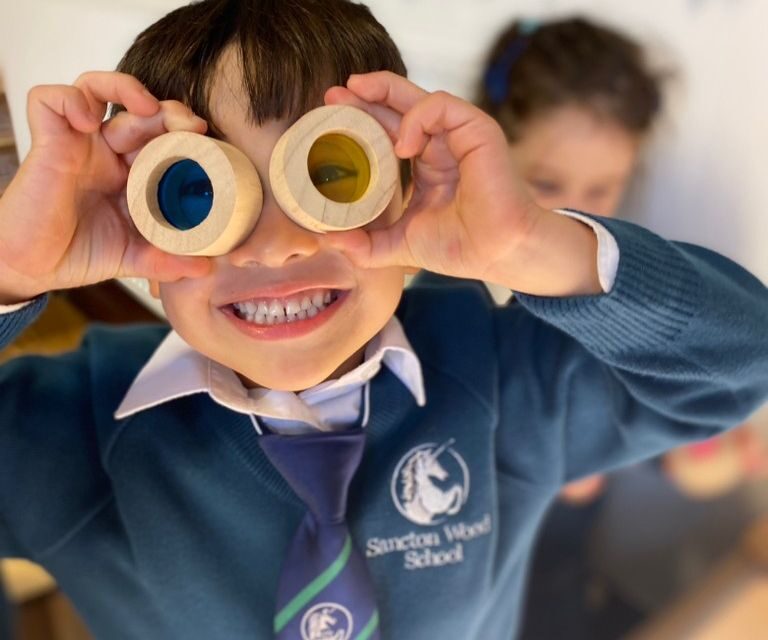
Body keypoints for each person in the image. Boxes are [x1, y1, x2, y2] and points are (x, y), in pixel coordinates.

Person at [0, 1, 767, 639]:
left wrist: (529, 241)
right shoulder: (77, 428)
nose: (276, 247)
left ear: (402, 188)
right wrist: (10, 272)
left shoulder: (500, 374)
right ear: (139, 230)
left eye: (330, 176)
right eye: (197, 196)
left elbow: (742, 362)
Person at [477, 16, 768, 639]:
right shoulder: (446, 310)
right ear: (483, 150)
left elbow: (685, 458)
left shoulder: (603, 305)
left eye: (602, 189)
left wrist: (723, 448)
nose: (571, 212)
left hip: (571, 597)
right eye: (547, 183)